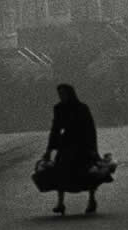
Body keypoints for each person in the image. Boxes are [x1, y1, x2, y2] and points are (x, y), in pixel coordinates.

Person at [43, 83, 100, 216]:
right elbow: (55, 129)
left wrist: (93, 148)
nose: (61, 96)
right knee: (60, 170)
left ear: (70, 94)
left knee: (88, 171)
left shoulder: (82, 108)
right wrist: (49, 150)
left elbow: (90, 129)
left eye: (63, 94)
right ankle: (60, 203)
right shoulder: (58, 108)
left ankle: (91, 200)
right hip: (66, 144)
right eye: (60, 94)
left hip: (83, 144)